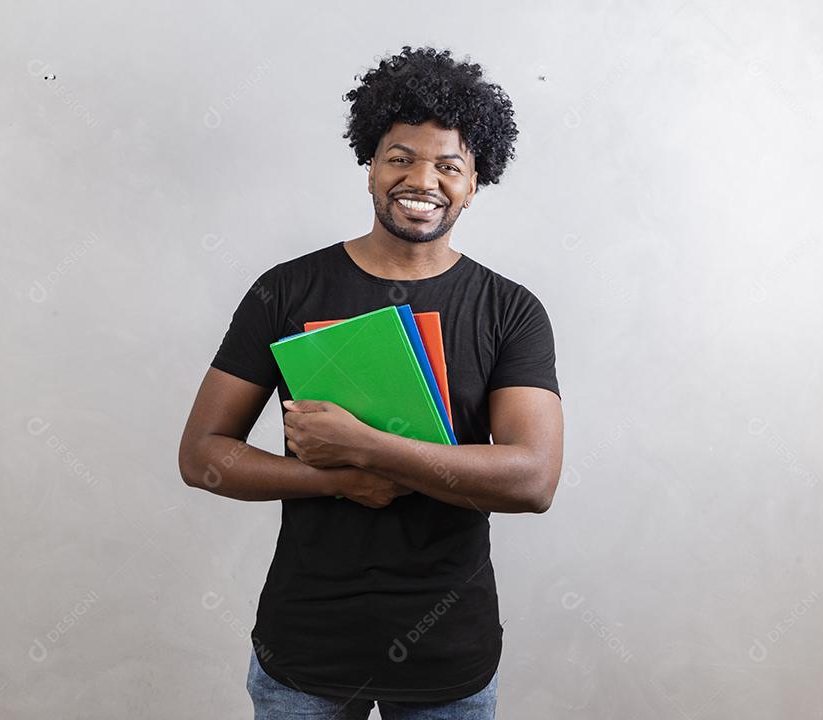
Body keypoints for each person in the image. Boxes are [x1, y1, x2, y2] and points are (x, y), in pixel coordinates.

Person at [178, 45, 564, 719]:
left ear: (475, 183)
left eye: (449, 165)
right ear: (370, 170)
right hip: (306, 650)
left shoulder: (510, 310)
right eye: (399, 157)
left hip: (451, 652)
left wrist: (366, 447)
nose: (422, 178)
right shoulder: (286, 290)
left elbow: (533, 481)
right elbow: (203, 456)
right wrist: (331, 479)